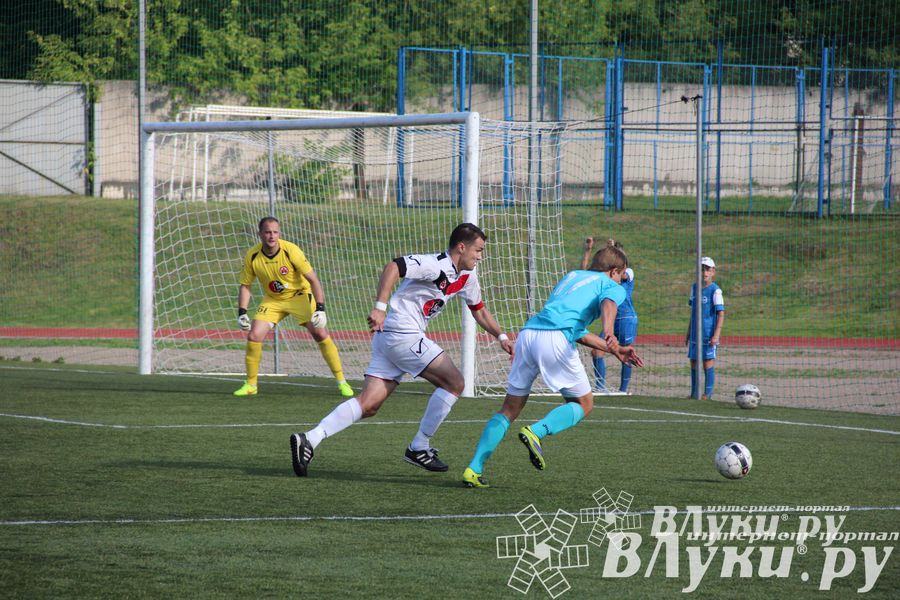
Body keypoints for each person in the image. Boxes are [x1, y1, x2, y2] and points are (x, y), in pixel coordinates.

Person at [289, 223, 515, 477]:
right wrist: (379, 308)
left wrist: (502, 337)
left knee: (369, 404)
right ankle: (419, 446)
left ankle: (310, 438)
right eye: (478, 250)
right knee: (454, 383)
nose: (480, 256)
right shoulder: (434, 264)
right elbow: (394, 267)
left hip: (391, 338)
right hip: (402, 332)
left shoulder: (467, 277)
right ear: (461, 247)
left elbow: (479, 310)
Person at [462, 239, 644, 488]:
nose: (621, 282)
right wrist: (609, 331)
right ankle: (536, 432)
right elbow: (609, 303)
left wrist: (614, 349)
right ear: (614, 271)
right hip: (555, 339)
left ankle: (473, 469)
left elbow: (578, 331)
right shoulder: (610, 285)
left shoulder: (572, 277)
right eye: (621, 277)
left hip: (528, 335)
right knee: (584, 403)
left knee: (509, 409)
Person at [233, 216, 353, 399]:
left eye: (275, 232)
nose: (272, 236)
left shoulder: (291, 251)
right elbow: (246, 285)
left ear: (279, 233)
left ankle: (342, 381)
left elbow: (314, 280)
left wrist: (320, 308)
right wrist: (242, 312)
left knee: (320, 333)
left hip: (299, 296)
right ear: (260, 234)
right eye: (267, 232)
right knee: (254, 335)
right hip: (273, 300)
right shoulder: (253, 255)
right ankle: (251, 385)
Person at [581, 237, 638, 393]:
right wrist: (588, 251)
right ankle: (600, 387)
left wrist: (612, 251)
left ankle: (622, 390)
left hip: (626, 318)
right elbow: (587, 273)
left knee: (625, 352)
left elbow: (622, 274)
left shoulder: (628, 272)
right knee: (596, 351)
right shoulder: (606, 275)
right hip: (610, 319)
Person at [685, 256, 725, 400]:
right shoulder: (694, 288)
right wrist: (688, 332)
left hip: (708, 334)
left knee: (707, 362)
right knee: (694, 361)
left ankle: (707, 394)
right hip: (695, 333)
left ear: (713, 272)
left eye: (708, 269)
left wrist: (716, 335)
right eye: (702, 269)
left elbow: (721, 314)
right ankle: (694, 393)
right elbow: (693, 312)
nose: (704, 273)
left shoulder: (716, 291)